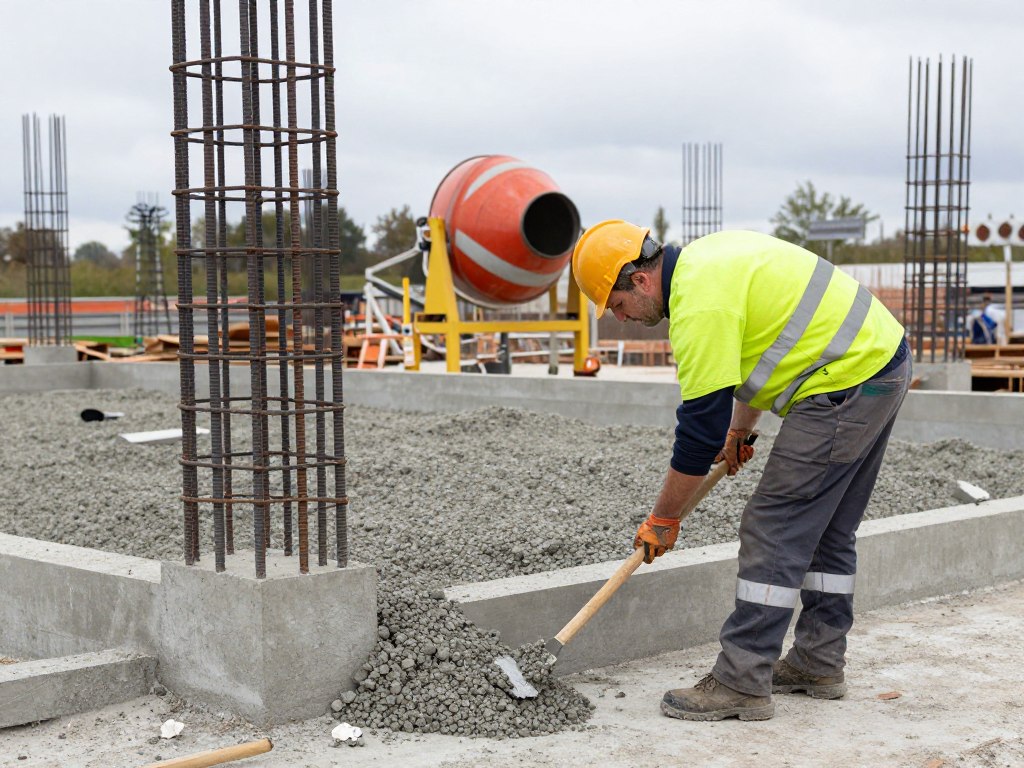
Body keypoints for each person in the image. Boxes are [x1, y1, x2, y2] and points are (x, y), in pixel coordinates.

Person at [571, 222, 911, 722]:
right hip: (880, 364)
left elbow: (697, 436)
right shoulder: (709, 259)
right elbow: (759, 353)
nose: (620, 318)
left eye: (617, 305)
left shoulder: (698, 305)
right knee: (828, 528)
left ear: (640, 280)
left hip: (843, 382)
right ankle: (819, 662)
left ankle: (742, 679)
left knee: (774, 526)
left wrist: (664, 518)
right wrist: (741, 431)